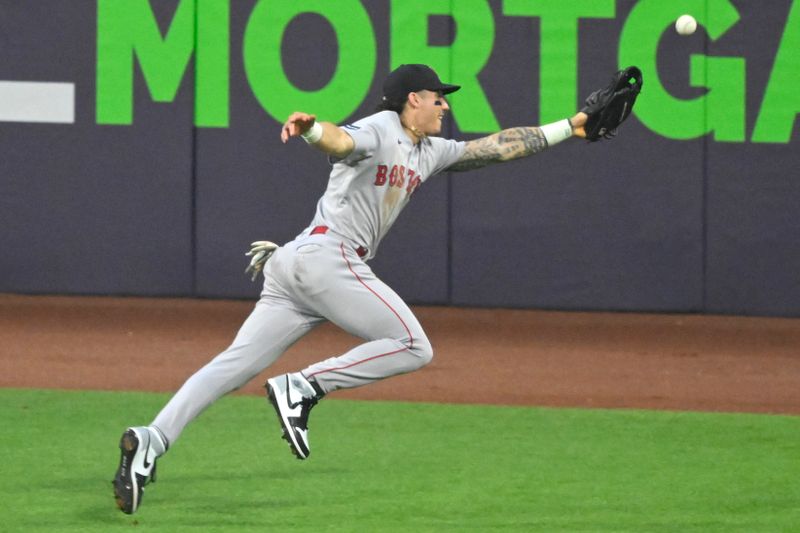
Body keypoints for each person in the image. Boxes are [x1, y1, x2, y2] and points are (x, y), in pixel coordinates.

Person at [112, 63, 591, 514]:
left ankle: (150, 440)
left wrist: (571, 125)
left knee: (232, 365)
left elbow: (496, 147)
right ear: (412, 100)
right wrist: (314, 129)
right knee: (413, 346)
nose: (444, 105)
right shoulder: (382, 126)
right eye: (437, 97)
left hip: (297, 263)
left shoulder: (430, 150)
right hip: (328, 258)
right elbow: (342, 142)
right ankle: (304, 386)